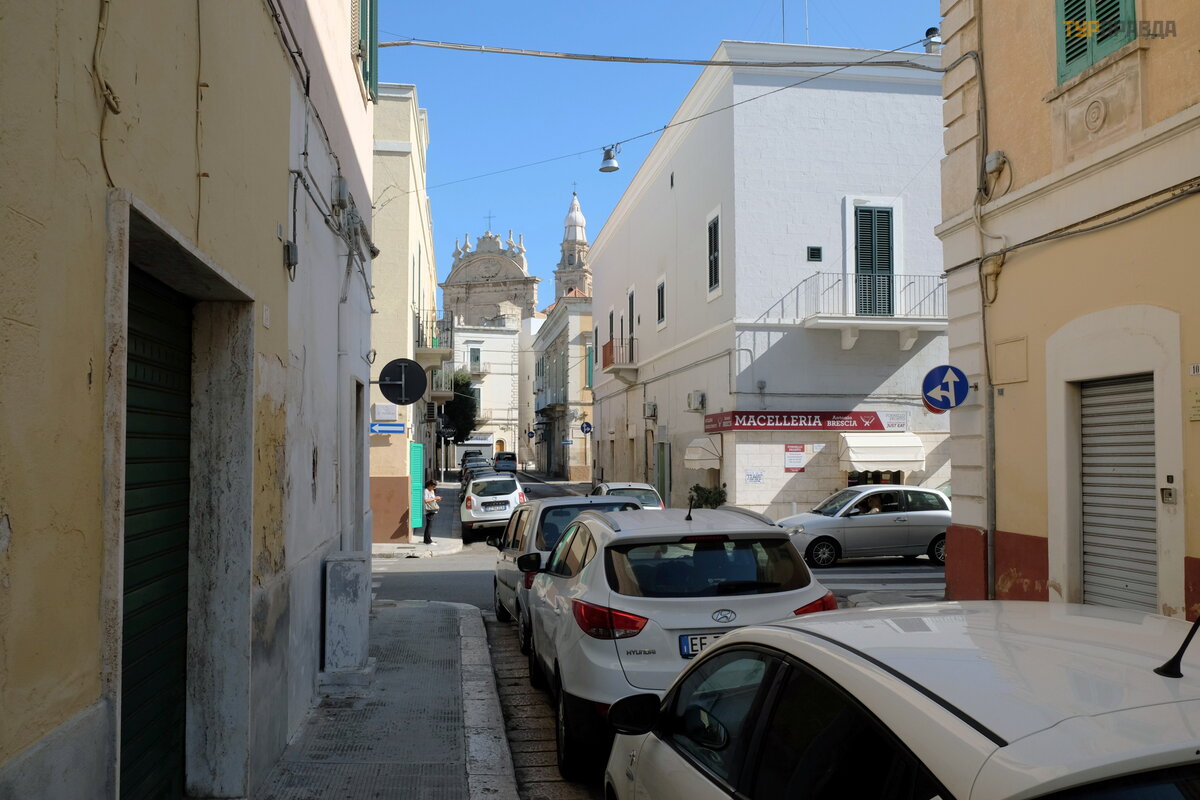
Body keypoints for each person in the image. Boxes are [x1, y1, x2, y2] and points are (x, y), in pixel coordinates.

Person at [421, 479, 441, 545]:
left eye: (435, 487)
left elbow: (432, 499)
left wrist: (437, 499)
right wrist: (435, 498)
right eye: (433, 486)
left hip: (432, 509)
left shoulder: (432, 491)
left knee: (429, 526)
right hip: (429, 510)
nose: (434, 488)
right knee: (429, 526)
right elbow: (426, 500)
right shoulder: (426, 491)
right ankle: (428, 541)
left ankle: (427, 540)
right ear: (429, 485)